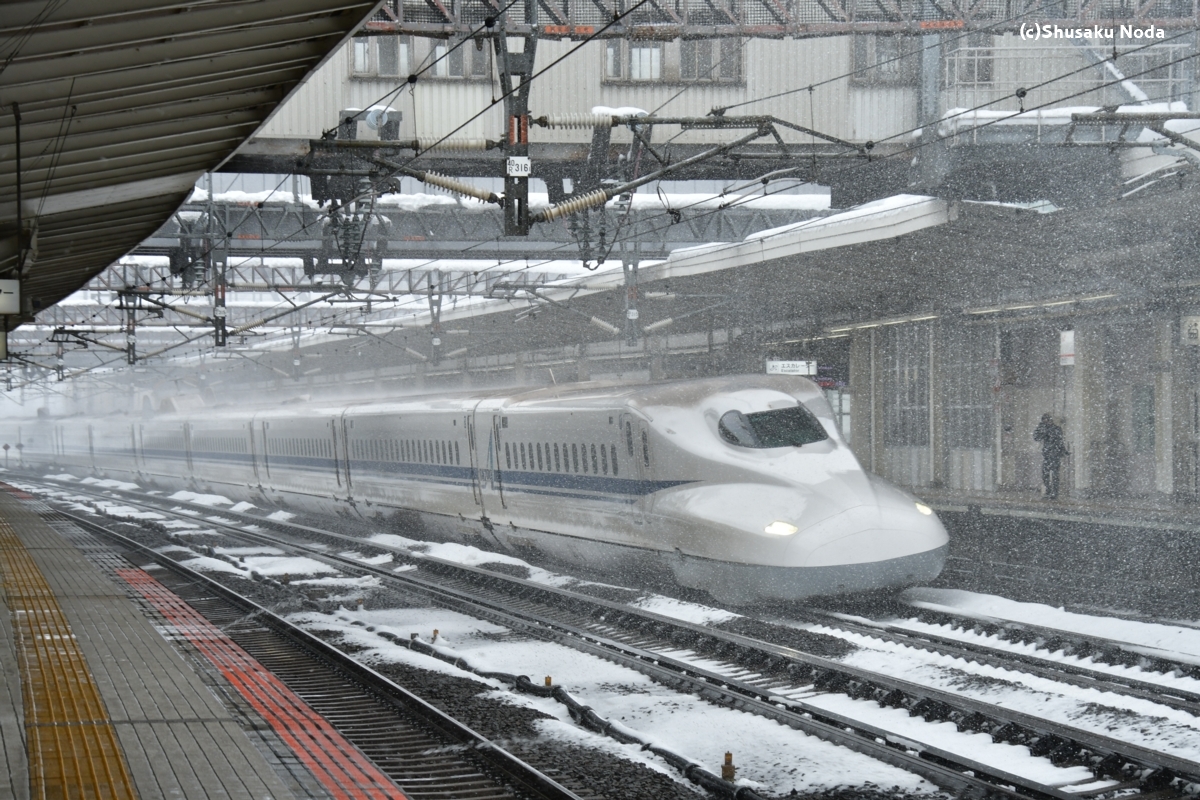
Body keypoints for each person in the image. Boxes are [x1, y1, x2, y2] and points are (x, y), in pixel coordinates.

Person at [1033, 413, 1068, 500]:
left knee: (1055, 474)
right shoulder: (1043, 428)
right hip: (1047, 455)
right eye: (1045, 420)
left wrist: (1063, 451)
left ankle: (1054, 492)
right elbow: (1036, 437)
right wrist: (1042, 429)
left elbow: (1060, 441)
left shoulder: (1056, 429)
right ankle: (1048, 490)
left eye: (1048, 420)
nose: (1047, 421)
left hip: (1055, 455)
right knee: (1045, 474)